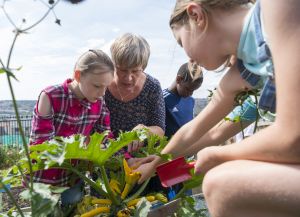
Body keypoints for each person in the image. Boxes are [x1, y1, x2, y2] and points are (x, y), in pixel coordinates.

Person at [135, 0, 300, 216]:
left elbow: (293, 137)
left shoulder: (277, 7)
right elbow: (205, 130)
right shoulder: (246, 70)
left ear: (196, 15)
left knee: (221, 185)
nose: (189, 58)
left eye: (181, 41)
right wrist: (157, 161)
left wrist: (216, 155)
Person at [29, 49, 114, 206]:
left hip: (73, 179)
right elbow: (41, 143)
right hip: (44, 179)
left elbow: (106, 138)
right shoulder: (50, 96)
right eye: (97, 86)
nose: (102, 93)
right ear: (78, 75)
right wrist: (86, 148)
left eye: (106, 87)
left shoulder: (99, 103)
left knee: (73, 211)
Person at [105, 33, 165, 152]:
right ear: (113, 64)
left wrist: (145, 130)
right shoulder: (102, 84)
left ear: (143, 67)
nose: (128, 78)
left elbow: (160, 131)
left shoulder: (152, 87)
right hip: (106, 154)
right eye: (122, 70)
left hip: (139, 157)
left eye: (135, 71)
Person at [164, 61, 203, 139]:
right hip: (166, 149)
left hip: (185, 148)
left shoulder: (191, 101)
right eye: (188, 89)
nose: (191, 93)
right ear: (178, 79)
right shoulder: (161, 99)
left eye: (193, 90)